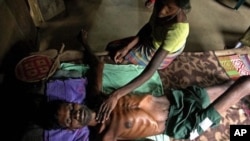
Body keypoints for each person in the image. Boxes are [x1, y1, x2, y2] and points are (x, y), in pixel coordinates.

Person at [43, 30, 250, 141]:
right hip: (184, 125)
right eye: (69, 119)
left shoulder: (97, 98)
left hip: (177, 99)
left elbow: (96, 65)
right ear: (70, 128)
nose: (75, 114)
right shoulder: (105, 136)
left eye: (71, 108)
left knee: (228, 86)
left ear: (74, 103)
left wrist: (84, 43)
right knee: (244, 85)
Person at [97, 0, 191, 123]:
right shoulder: (160, 9)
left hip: (161, 51)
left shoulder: (177, 30)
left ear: (180, 8)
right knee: (114, 47)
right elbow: (149, 27)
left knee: (117, 55)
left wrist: (116, 95)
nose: (162, 10)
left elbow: (151, 70)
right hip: (153, 40)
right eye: (161, 3)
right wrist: (127, 48)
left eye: (169, 8)